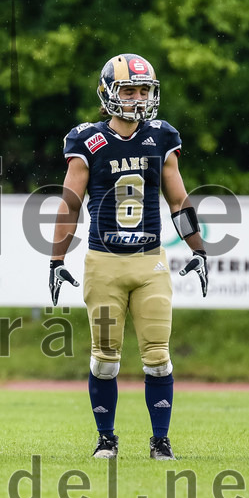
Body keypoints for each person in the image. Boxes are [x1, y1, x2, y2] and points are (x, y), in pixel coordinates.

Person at [49, 53, 208, 461]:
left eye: (144, 90)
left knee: (157, 357)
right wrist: (55, 259)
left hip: (150, 262)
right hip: (103, 262)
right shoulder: (88, 139)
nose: (138, 99)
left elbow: (178, 200)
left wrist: (198, 249)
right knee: (105, 360)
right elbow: (69, 204)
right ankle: (106, 438)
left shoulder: (162, 136)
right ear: (108, 94)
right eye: (129, 90)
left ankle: (160, 441)